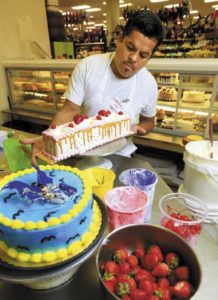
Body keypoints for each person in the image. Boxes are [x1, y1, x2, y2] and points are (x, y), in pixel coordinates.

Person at [21, 9, 164, 164]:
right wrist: (49, 139)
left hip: (121, 156)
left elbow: (149, 121)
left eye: (143, 55)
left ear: (149, 57)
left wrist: (140, 128)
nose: (133, 59)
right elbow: (69, 111)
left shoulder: (149, 83)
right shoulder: (89, 66)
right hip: (82, 153)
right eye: (130, 48)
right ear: (120, 39)